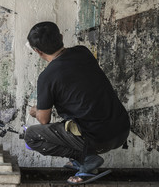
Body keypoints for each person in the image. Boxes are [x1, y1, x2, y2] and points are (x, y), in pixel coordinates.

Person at [24, 21, 130, 184]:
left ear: (37, 51)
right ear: (61, 37)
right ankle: (84, 159)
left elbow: (44, 120)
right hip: (121, 129)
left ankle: (88, 161)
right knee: (73, 122)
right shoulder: (83, 52)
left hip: (98, 138)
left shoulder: (47, 77)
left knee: (31, 136)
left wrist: (36, 110)